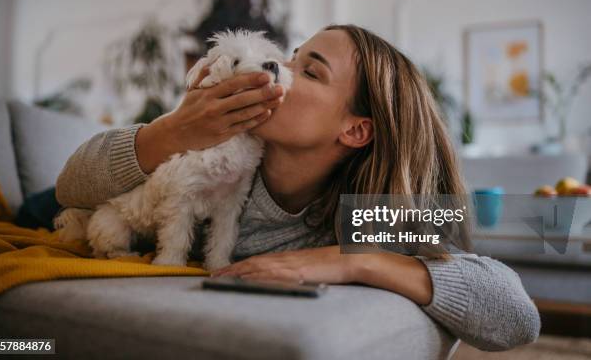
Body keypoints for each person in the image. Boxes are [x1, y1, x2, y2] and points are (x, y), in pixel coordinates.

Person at [56, 24, 540, 351]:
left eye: (309, 71)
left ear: (355, 130)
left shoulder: (362, 214)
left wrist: (357, 260)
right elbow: (68, 188)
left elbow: (517, 316)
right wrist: (171, 131)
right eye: (289, 56)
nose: (280, 70)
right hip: (88, 213)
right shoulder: (210, 147)